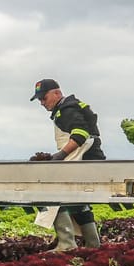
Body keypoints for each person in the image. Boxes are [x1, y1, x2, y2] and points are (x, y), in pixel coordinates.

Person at [28, 77, 104, 249]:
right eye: (39, 99)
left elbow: (80, 134)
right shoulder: (69, 108)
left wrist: (60, 156)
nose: (41, 103)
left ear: (57, 93)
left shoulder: (66, 110)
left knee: (49, 194)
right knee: (77, 202)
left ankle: (67, 243)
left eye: (43, 98)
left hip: (82, 160)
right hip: (91, 160)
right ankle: (93, 244)